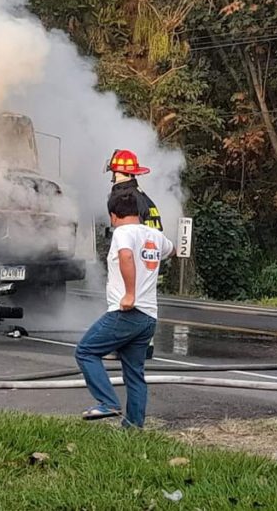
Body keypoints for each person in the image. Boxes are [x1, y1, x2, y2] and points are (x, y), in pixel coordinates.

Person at [75, 193, 173, 428]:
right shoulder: (156, 236)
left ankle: (107, 402)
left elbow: (126, 255)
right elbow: (172, 250)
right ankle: (134, 426)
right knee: (134, 373)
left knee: (86, 351)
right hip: (148, 317)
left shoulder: (122, 233)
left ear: (113, 215)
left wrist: (130, 294)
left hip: (127, 312)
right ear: (139, 213)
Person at [105, 148, 163, 360]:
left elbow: (124, 229)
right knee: (145, 302)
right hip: (151, 255)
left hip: (132, 255)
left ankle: (117, 343)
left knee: (121, 297)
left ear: (117, 172)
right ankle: (144, 346)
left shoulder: (122, 195)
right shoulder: (145, 198)